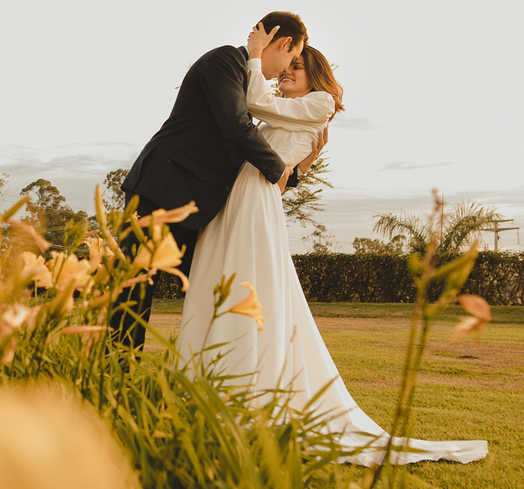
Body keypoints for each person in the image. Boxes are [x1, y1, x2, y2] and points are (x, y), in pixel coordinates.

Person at [177, 28, 487, 465]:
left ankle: (242, 392)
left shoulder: (318, 104)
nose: (286, 72)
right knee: (220, 280)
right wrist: (300, 165)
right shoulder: (289, 109)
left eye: (295, 67)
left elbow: (251, 104)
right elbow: (272, 164)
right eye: (287, 65)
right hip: (242, 196)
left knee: (247, 283)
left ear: (314, 77)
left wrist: (253, 57)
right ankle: (205, 385)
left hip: (253, 198)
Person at [111, 12, 311, 350]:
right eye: (291, 58)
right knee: (134, 290)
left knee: (214, 292)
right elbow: (235, 126)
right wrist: (278, 170)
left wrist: (295, 171)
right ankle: (114, 378)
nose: (285, 71)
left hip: (199, 207)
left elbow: (246, 157)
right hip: (162, 191)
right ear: (284, 43)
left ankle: (206, 375)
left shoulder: (249, 81)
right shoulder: (225, 60)